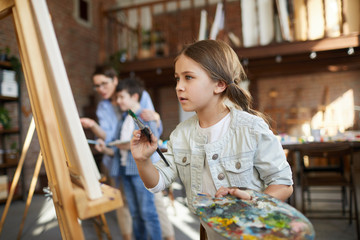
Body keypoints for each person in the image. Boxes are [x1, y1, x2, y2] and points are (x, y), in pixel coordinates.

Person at [130, 40, 294, 239]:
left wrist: (252, 201)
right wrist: (142, 160)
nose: (179, 87)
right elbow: (158, 183)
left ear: (219, 84)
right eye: (177, 79)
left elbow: (283, 184)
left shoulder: (251, 128)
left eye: (188, 77)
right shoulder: (181, 134)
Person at [80, 65, 162, 240]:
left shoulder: (142, 116)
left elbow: (153, 138)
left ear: (134, 97)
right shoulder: (124, 118)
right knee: (134, 213)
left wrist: (156, 118)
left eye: (122, 98)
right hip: (125, 170)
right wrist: (106, 149)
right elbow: (114, 143)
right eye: (117, 98)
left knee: (148, 212)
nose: (118, 102)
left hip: (141, 170)